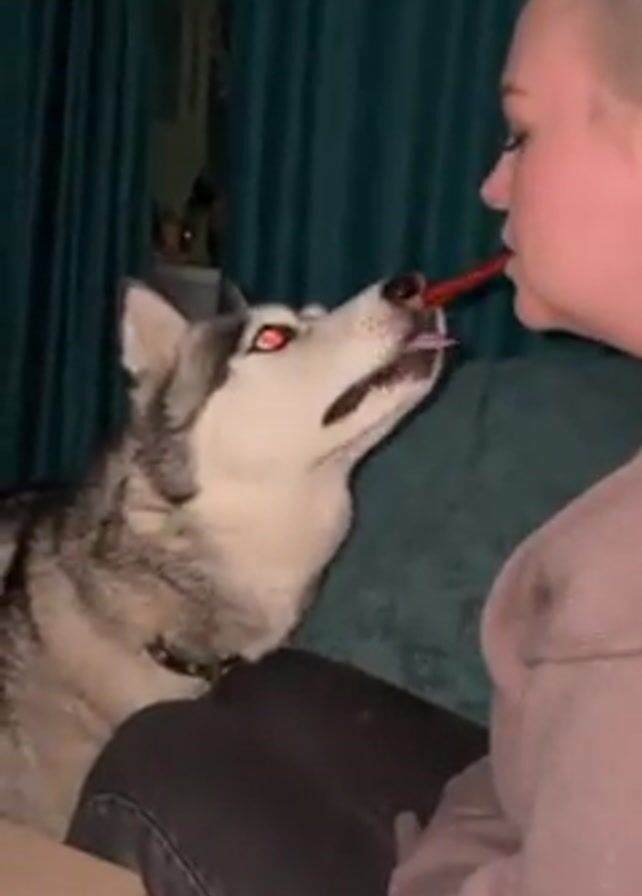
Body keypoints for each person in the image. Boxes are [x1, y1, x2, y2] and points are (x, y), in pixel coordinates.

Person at [66, 0, 642, 893]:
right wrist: (478, 819)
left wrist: (445, 861)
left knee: (159, 763)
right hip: (524, 791)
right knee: (280, 694)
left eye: (522, 133)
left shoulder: (620, 594)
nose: (493, 185)